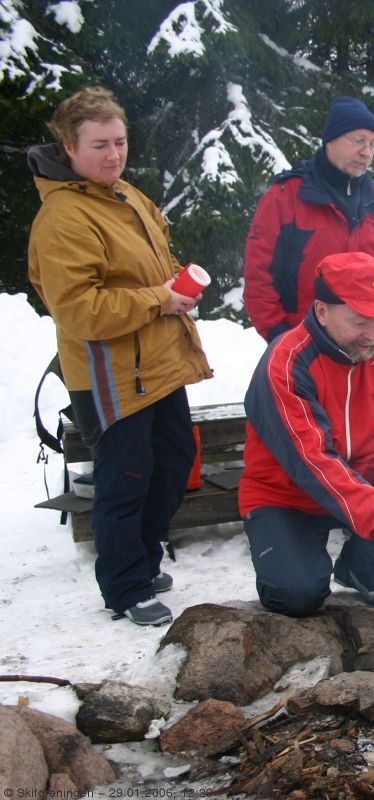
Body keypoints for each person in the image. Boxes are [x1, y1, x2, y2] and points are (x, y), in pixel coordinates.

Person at [27, 87, 213, 626]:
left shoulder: (126, 196)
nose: (114, 154)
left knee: (173, 465)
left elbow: (154, 262)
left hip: (155, 362)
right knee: (125, 478)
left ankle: (143, 557)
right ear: (69, 146)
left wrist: (174, 282)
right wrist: (160, 298)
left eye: (120, 142)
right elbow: (79, 310)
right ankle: (126, 585)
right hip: (108, 373)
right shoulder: (64, 217)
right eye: (100, 145)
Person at [239, 252, 374, 615]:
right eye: (359, 322)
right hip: (286, 496)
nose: (372, 336)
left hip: (360, 478)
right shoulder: (288, 362)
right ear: (322, 312)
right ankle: (293, 559)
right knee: (298, 595)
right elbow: (315, 462)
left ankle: (359, 566)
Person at [243, 96, 374, 342]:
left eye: (373, 145)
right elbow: (259, 275)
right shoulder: (285, 197)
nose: (366, 153)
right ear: (330, 140)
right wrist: (279, 335)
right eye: (358, 141)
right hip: (302, 343)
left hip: (368, 345)